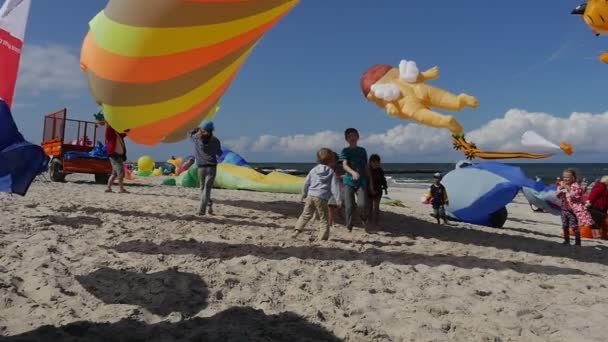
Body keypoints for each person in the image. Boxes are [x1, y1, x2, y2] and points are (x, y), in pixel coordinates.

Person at [294, 148, 341, 240]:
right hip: (322, 197)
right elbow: (335, 187)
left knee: (305, 214)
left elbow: (306, 182)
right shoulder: (331, 172)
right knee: (324, 219)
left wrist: (303, 194)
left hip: (311, 196)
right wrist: (338, 200)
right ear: (331, 160)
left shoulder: (313, 170)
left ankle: (297, 230)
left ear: (318, 159)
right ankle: (323, 237)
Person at [340, 128, 370, 231]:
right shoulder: (345, 151)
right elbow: (344, 165)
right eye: (349, 136)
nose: (352, 138)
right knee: (349, 205)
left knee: (362, 204)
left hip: (361, 181)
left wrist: (369, 180)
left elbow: (366, 166)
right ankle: (349, 225)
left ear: (358, 137)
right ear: (346, 139)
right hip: (348, 181)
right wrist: (352, 172)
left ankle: (363, 218)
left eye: (354, 135)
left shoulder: (362, 150)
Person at [190, 121, 221, 216]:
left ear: (202, 129)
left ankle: (201, 210)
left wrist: (197, 128)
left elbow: (190, 132)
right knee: (205, 189)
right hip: (212, 167)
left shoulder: (196, 138)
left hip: (201, 167)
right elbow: (219, 153)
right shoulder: (216, 140)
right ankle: (209, 203)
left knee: (203, 188)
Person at [556, 168, 592, 246]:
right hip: (564, 209)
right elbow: (558, 196)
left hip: (572, 210)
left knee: (574, 226)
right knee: (565, 226)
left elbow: (577, 196)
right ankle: (566, 240)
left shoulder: (575, 186)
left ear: (572, 178)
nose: (565, 179)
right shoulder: (562, 184)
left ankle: (578, 242)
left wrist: (568, 189)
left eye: (567, 177)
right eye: (564, 177)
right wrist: (560, 191)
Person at [98, 112, 129, 194]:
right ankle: (121, 189)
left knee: (114, 173)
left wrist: (129, 127)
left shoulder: (119, 134)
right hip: (114, 154)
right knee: (120, 171)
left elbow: (125, 132)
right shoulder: (111, 134)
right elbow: (108, 134)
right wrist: (109, 123)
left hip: (118, 155)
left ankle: (108, 188)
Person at [368, 154, 388, 226]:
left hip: (378, 191)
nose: (376, 164)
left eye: (377, 163)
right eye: (374, 162)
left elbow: (383, 180)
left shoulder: (380, 170)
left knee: (376, 208)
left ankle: (376, 222)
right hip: (369, 191)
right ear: (370, 162)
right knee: (369, 208)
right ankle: (369, 221)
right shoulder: (368, 171)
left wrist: (385, 188)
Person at [327, 151, 344, 227]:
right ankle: (331, 221)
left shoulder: (339, 167)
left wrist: (341, 177)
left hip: (337, 189)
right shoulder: (327, 167)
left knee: (333, 206)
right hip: (329, 189)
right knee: (331, 206)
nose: (330, 162)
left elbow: (342, 178)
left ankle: (331, 221)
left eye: (332, 160)